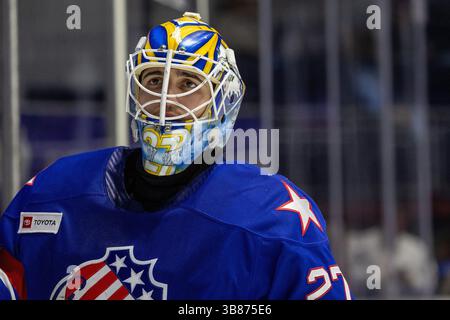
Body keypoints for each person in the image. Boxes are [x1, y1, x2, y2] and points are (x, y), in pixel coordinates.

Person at [0, 12, 351, 300]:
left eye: (188, 85)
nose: (167, 102)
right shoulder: (51, 194)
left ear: (223, 104)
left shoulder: (273, 220)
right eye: (153, 81)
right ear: (134, 92)